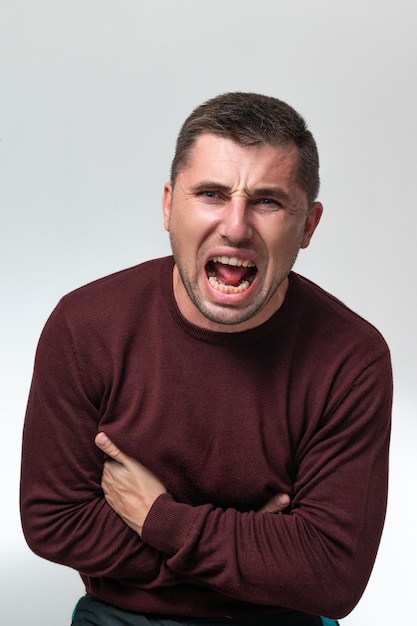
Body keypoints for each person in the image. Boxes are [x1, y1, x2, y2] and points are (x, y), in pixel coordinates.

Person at [20, 92, 392, 626]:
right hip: (123, 615)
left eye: (267, 201)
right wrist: (255, 555)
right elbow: (52, 521)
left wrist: (158, 518)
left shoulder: (352, 358)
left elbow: (331, 573)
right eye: (212, 194)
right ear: (169, 205)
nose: (236, 226)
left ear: (308, 226)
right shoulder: (85, 327)